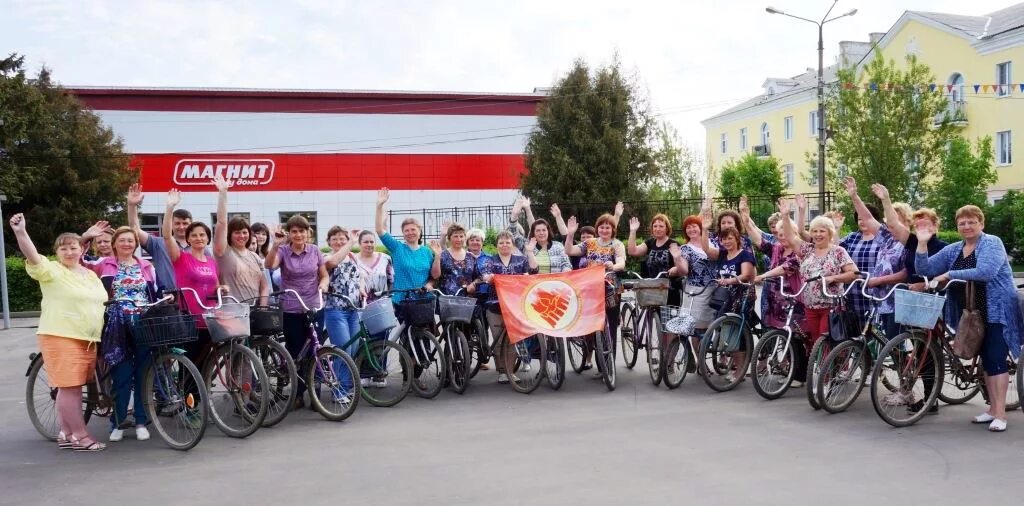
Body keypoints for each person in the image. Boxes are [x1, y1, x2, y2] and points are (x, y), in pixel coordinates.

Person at [914, 205, 1022, 432]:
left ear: (981, 224)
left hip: (996, 308)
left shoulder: (992, 243)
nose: (966, 226)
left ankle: (1001, 414)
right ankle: (992, 409)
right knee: (985, 357)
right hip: (971, 311)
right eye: (962, 223)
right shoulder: (955, 249)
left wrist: (949, 274)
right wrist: (922, 243)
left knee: (994, 358)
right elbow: (925, 268)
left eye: (971, 221)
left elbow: (985, 271)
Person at [10, 213, 108, 451]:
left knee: (71, 388)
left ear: (80, 249)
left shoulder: (89, 274)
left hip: (88, 338)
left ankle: (65, 433)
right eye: (63, 249)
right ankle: (81, 436)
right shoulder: (52, 271)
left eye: (73, 247)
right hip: (61, 335)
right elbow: (32, 256)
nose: (69, 252)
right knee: (70, 389)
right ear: (57, 253)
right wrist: (21, 231)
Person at [89, 226, 159, 443]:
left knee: (142, 374)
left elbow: (154, 292)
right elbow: (79, 262)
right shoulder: (104, 265)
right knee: (121, 376)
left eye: (131, 241)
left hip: (142, 322)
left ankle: (140, 421)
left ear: (135, 245)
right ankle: (117, 422)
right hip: (115, 326)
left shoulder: (146, 266)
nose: (127, 244)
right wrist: (87, 236)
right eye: (122, 241)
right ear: (114, 244)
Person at [266, 213, 329, 409]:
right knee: (295, 353)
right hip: (291, 309)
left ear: (308, 232)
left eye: (302, 230)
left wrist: (324, 285)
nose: (298, 234)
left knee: (314, 351)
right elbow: (269, 265)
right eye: (294, 231)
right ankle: (298, 394)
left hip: (314, 306)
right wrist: (275, 245)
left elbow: (323, 275)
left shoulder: (315, 251)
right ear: (289, 233)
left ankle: (315, 395)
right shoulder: (283, 251)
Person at [779, 198, 858, 353]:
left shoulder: (838, 252)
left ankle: (826, 376)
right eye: (814, 231)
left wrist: (834, 278)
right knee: (816, 344)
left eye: (822, 231)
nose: (817, 234)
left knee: (825, 343)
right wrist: (785, 216)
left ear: (830, 233)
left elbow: (854, 273)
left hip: (831, 305)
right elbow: (790, 237)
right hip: (810, 305)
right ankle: (824, 374)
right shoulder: (806, 250)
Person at [164, 189, 223, 362]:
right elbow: (167, 236)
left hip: (211, 319)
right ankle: (188, 390)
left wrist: (222, 288)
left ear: (207, 238)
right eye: (194, 235)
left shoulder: (211, 261)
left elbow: (216, 284)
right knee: (190, 366)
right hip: (189, 319)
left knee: (206, 363)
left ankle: (202, 390)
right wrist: (170, 207)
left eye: (202, 235)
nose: (198, 238)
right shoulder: (181, 258)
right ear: (188, 239)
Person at [565, 213, 627, 375]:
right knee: (593, 326)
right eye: (601, 227)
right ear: (597, 228)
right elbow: (570, 250)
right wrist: (570, 234)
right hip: (591, 289)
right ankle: (594, 359)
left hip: (611, 289)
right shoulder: (589, 243)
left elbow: (621, 261)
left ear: (613, 229)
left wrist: (614, 265)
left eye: (608, 227)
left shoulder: (617, 244)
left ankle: (607, 366)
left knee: (610, 327)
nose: (604, 230)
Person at [699, 216, 757, 382]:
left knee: (737, 333)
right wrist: (704, 229)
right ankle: (734, 364)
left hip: (742, 296)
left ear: (737, 238)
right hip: (726, 298)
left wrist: (729, 280)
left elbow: (746, 275)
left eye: (730, 238)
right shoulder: (723, 254)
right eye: (724, 239)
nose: (726, 242)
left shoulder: (745, 255)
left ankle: (739, 370)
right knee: (726, 332)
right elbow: (706, 249)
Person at [477, 231, 539, 383]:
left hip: (516, 305)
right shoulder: (490, 260)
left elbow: (533, 271)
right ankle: (502, 371)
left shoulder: (521, 259)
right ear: (497, 245)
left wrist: (530, 253)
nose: (504, 245)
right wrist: (489, 278)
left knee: (514, 337)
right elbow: (485, 275)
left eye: (507, 242)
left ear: (512, 245)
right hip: (495, 304)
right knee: (499, 338)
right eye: (501, 242)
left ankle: (510, 371)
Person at [212, 177, 268, 306]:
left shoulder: (254, 256)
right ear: (229, 234)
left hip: (254, 314)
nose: (241, 236)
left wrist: (263, 308)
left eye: (244, 232)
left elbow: (264, 286)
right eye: (237, 232)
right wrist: (223, 193)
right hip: (232, 312)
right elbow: (221, 222)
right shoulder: (224, 253)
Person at [373, 187, 435, 306]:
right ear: (403, 233)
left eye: (413, 229)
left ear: (419, 231)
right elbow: (379, 230)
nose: (410, 232)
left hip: (425, 300)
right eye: (406, 230)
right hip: (402, 301)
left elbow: (434, 276)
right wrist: (379, 205)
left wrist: (430, 284)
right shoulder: (397, 248)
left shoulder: (427, 251)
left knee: (427, 325)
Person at [677, 215, 718, 368]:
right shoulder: (685, 248)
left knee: (713, 326)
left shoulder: (712, 240)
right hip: (696, 291)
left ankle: (715, 359)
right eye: (688, 227)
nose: (692, 229)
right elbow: (684, 270)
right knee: (697, 328)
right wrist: (677, 259)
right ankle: (701, 362)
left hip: (717, 288)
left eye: (695, 226)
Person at [126, 183, 176, 292]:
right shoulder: (159, 243)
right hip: (166, 298)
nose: (181, 226)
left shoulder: (198, 248)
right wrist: (132, 205)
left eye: (185, 223)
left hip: (192, 298)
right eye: (177, 223)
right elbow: (135, 229)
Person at [431, 223, 480, 295]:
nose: (459, 239)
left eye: (461, 236)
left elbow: (478, 277)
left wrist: (474, 284)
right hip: (446, 298)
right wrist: (437, 256)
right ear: (449, 238)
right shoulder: (443, 254)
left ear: (465, 238)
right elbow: (435, 276)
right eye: (455, 236)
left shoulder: (471, 256)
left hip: (467, 299)